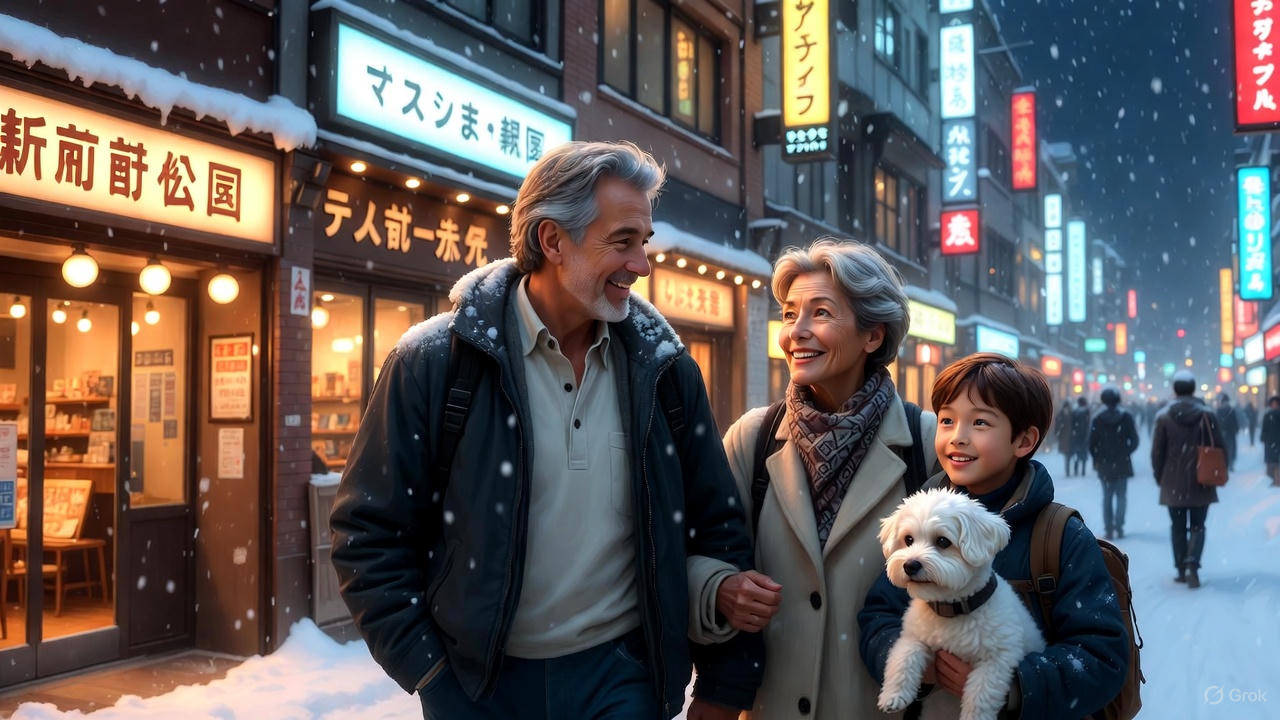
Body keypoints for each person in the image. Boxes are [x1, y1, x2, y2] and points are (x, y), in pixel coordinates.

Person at [329, 141, 764, 720]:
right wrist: (432, 675)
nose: (642, 264)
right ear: (552, 240)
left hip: (624, 680)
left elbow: (716, 528)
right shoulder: (433, 362)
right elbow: (367, 535)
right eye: (622, 242)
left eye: (644, 242)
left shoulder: (666, 371)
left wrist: (720, 685)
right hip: (481, 689)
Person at [719, 239, 938, 718]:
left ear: (872, 336)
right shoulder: (752, 438)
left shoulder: (926, 443)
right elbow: (701, 548)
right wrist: (716, 588)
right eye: (789, 313)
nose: (796, 331)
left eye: (819, 313)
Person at [858, 353, 1129, 719]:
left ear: (1024, 440)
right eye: (947, 420)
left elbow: (1101, 655)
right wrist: (917, 666)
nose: (958, 437)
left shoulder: (1060, 536)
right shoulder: (916, 520)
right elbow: (879, 616)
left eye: (980, 422)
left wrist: (1014, 685)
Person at [1151, 370, 1224, 589]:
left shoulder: (1163, 417)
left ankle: (1181, 568)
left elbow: (1157, 453)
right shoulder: (1207, 415)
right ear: (1193, 389)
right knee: (1198, 525)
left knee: (1177, 526)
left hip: (1173, 482)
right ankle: (1193, 563)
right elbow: (1219, 447)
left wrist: (1160, 476)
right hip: (1202, 479)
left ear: (1175, 389)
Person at [1088, 387, 1140, 540]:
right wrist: (1125, 451)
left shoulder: (1098, 419)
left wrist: (1098, 457)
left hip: (1104, 464)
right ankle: (1120, 526)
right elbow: (1135, 440)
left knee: (1107, 496)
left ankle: (1109, 528)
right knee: (1121, 496)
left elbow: (1091, 444)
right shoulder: (1126, 417)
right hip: (1122, 463)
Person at [1215, 393, 1239, 472]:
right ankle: (1230, 464)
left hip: (1222, 433)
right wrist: (1235, 430)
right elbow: (1235, 422)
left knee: (1223, 449)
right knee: (1230, 448)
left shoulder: (1219, 410)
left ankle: (1224, 464)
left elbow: (1217, 422)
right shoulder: (1231, 410)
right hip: (1230, 432)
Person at [1069, 396, 1091, 477]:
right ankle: (1083, 471)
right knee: (1083, 455)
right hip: (1084, 436)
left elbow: (1072, 424)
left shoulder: (1075, 412)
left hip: (1076, 437)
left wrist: (1074, 433)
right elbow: (1088, 425)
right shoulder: (1087, 412)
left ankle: (1076, 470)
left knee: (1076, 455)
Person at [1261, 395, 1280, 487]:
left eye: (1276, 404)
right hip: (1270, 441)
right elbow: (1264, 428)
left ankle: (1277, 480)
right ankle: (1273, 479)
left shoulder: (1270, 415)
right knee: (1271, 463)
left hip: (1275, 441)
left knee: (1275, 462)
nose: (1274, 405)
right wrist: (1264, 438)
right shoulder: (1268, 415)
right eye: (1273, 404)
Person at [1054, 401, 1074, 475]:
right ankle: (1067, 470)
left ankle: (1069, 469)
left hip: (1070, 438)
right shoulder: (1061, 414)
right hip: (1064, 438)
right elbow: (1057, 425)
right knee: (1067, 455)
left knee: (1070, 454)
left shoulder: (1071, 413)